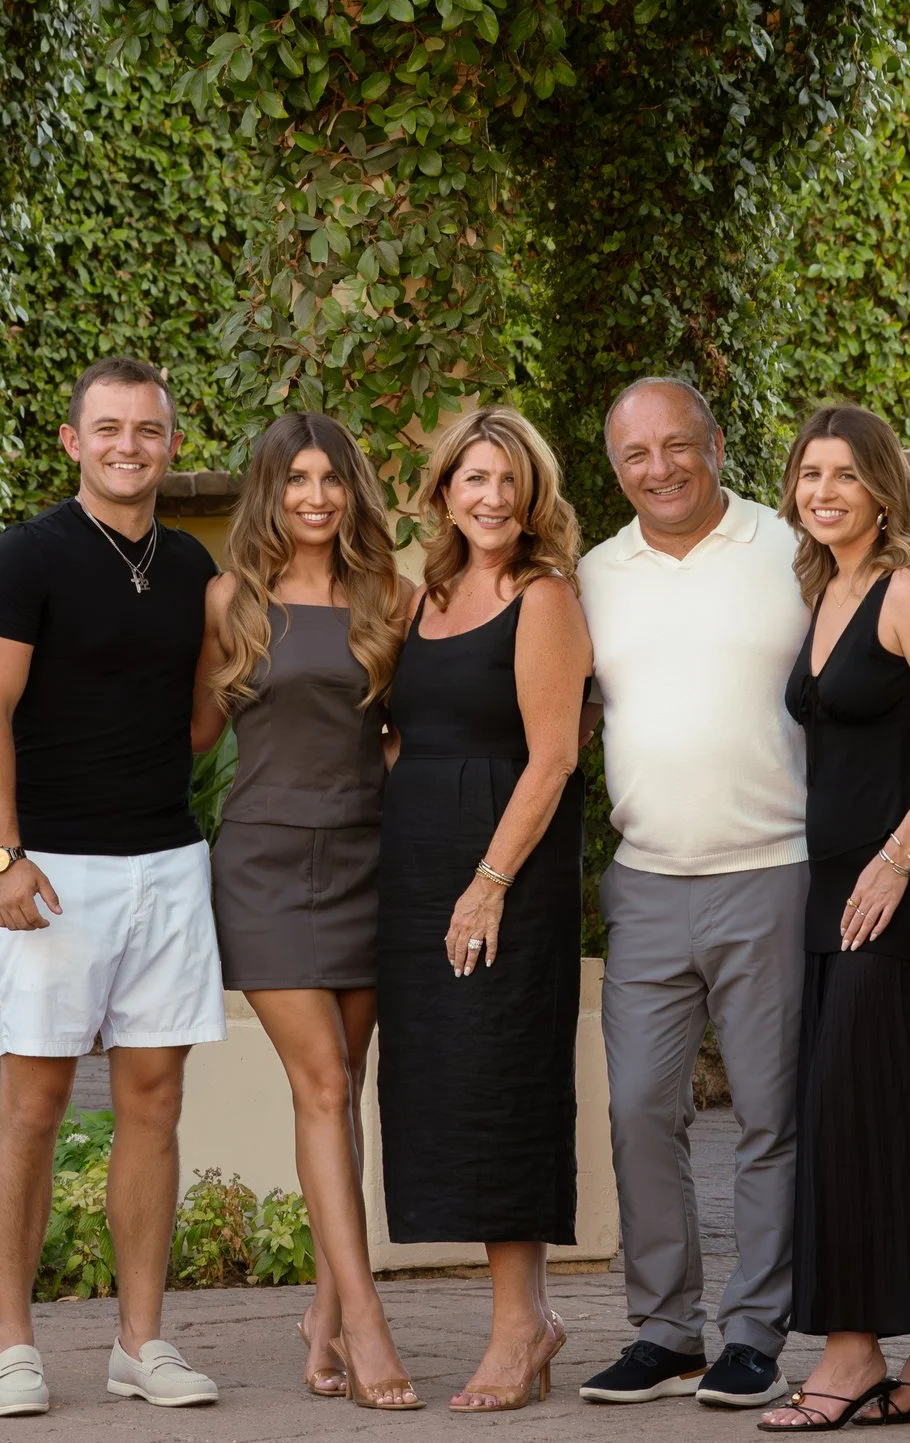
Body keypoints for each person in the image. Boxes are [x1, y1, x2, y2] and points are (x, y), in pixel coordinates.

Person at [0, 356, 225, 1418]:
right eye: (108, 428)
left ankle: (141, 1341)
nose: (129, 445)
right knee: (33, 1101)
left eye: (148, 429)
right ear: (74, 440)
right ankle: (12, 1344)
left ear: (170, 441)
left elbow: (203, 720)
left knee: (153, 1101)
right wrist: (2, 854)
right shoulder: (24, 557)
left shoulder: (198, 565)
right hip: (48, 869)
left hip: (166, 859)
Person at [760, 404, 910, 1433]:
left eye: (844, 474)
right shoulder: (825, 588)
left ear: (881, 489)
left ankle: (852, 1349)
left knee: (856, 1112)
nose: (823, 491)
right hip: (832, 891)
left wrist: (897, 860)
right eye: (809, 474)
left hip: (896, 891)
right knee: (880, 1110)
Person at [573, 378, 811, 1411]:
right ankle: (666, 1327)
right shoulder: (592, 574)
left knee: (770, 1113)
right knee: (637, 1109)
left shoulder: (789, 548)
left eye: (678, 445)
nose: (659, 467)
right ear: (614, 464)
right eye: (636, 454)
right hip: (646, 880)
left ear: (715, 442)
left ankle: (754, 1331)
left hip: (773, 871)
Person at [190, 412, 422, 1411]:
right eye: (296, 480)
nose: (315, 497)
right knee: (323, 1080)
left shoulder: (392, 599)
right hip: (266, 861)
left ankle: (323, 1318)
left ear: (353, 490)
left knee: (346, 1082)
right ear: (270, 492)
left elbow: (410, 739)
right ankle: (366, 1322)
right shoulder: (230, 601)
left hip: (369, 856)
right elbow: (193, 733)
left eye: (332, 478)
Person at [375, 404, 593, 1413]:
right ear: (443, 493)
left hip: (503, 877)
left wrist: (487, 880)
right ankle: (514, 1318)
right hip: (418, 867)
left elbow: (553, 754)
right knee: (443, 1087)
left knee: (505, 1079)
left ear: (533, 493)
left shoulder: (541, 595)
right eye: (473, 478)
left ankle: (524, 1323)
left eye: (509, 479)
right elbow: (403, 728)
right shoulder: (423, 593)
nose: (492, 496)